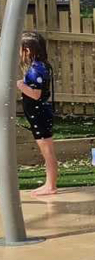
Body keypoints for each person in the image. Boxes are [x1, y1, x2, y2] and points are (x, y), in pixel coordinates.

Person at [17, 31, 58, 196]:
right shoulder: (41, 66)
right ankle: (50, 183)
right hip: (39, 113)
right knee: (47, 151)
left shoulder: (36, 69)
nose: (19, 53)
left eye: (20, 49)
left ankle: (51, 185)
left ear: (28, 50)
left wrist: (20, 85)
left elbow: (36, 94)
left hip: (39, 114)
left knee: (47, 152)